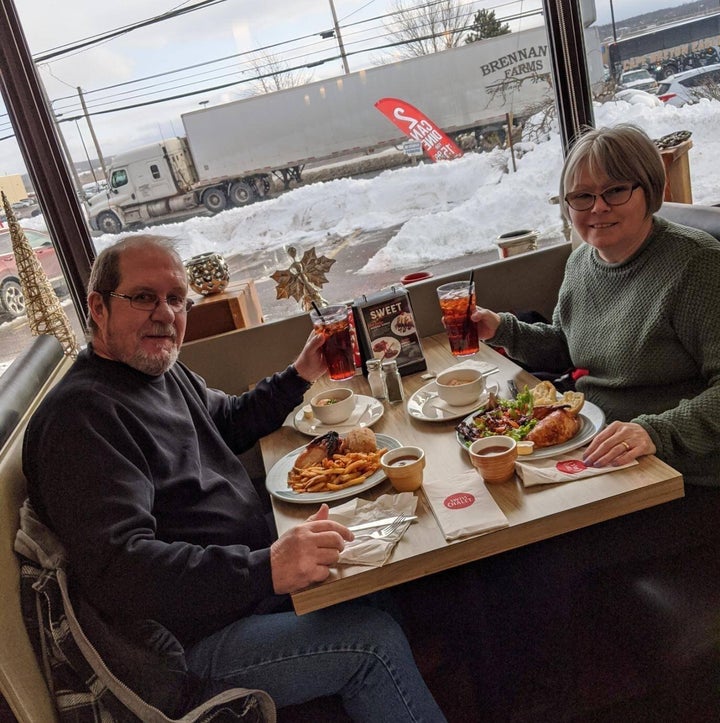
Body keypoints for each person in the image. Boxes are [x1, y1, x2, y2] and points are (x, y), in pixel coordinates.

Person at [23, 234, 446, 722]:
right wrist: (264, 568)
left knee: (370, 579)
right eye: (143, 297)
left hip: (246, 587)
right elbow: (123, 570)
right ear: (98, 307)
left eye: (176, 299)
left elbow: (227, 419)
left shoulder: (160, 371)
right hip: (192, 645)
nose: (165, 314)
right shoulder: (81, 419)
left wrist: (299, 375)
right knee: (373, 644)